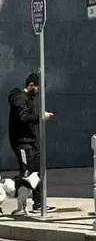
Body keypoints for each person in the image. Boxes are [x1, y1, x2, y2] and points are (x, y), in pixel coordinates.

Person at [7, 74, 56, 214]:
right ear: (31, 85)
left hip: (30, 143)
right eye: (38, 88)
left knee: (36, 173)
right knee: (26, 173)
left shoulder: (27, 98)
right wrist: (40, 116)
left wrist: (40, 114)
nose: (39, 91)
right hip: (22, 143)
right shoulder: (21, 98)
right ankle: (5, 190)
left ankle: (38, 204)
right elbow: (24, 118)